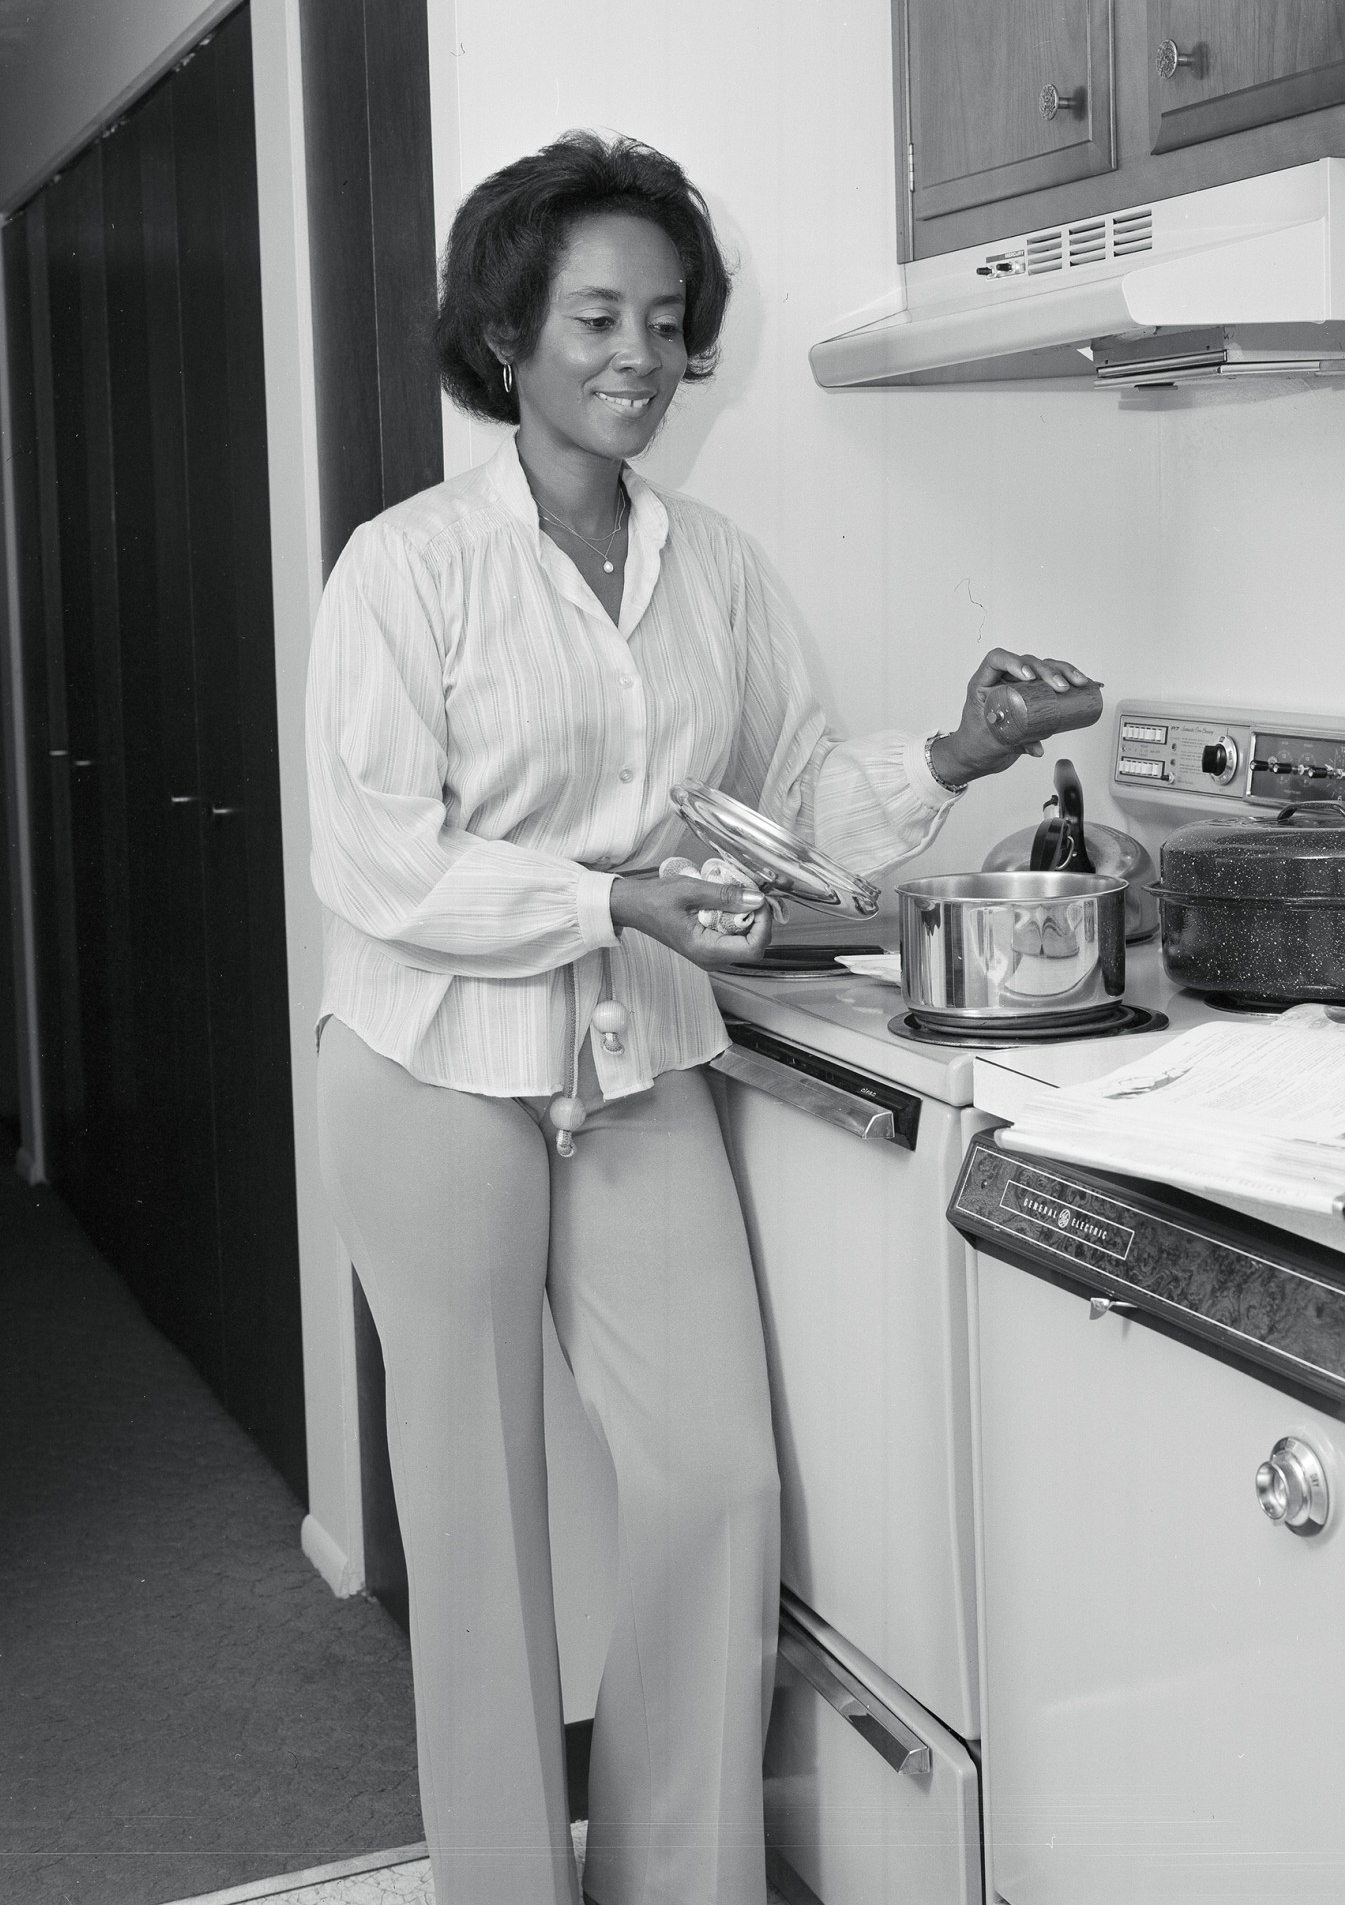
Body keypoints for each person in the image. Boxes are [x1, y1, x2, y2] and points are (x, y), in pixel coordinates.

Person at [307, 130, 1096, 1905]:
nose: (639, 360)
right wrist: (605, 900)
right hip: (434, 1070)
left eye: (668, 322)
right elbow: (377, 861)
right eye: (596, 317)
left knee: (715, 1489)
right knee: (482, 1526)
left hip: (639, 1050)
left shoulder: (716, 568)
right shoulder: (406, 568)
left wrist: (965, 751)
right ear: (507, 332)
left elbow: (785, 806)